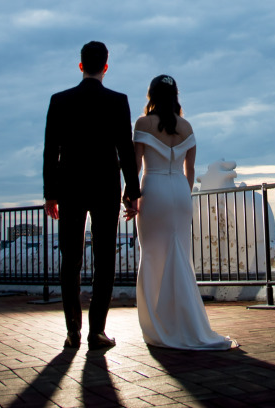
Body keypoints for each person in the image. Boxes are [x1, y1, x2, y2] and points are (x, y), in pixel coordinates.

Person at [43, 41, 141, 350]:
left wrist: (50, 194)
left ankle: (73, 331)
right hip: (105, 186)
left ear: (81, 65)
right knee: (104, 259)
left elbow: (50, 152)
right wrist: (132, 191)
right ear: (106, 67)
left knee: (70, 260)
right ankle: (97, 331)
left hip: (70, 187)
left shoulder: (59, 101)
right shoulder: (118, 101)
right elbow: (125, 149)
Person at [131, 75, 237, 350]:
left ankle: (158, 324)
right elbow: (190, 171)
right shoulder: (187, 127)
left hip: (153, 190)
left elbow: (135, 167)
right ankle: (186, 322)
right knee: (179, 255)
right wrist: (181, 193)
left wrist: (130, 197)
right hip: (180, 191)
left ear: (151, 95)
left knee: (153, 255)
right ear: (176, 95)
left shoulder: (143, 124)